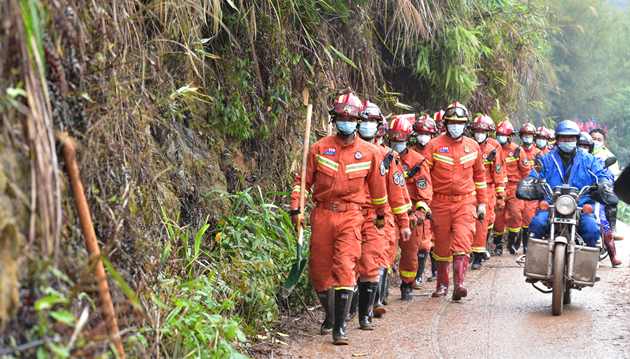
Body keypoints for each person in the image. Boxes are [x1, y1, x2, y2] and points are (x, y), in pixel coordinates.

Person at [290, 93, 389, 345]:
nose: (347, 121)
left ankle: (340, 328)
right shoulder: (319, 148)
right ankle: (331, 315)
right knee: (319, 272)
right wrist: (296, 209)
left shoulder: (370, 152)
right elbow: (302, 183)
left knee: (346, 267)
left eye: (351, 117)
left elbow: (378, 190)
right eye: (342, 117)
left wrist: (380, 216)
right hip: (321, 214)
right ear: (335, 119)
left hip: (351, 216)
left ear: (358, 120)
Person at [348, 101, 412, 327]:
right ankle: (347, 308)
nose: (367, 126)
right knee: (347, 263)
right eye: (363, 121)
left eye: (372, 122)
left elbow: (397, 193)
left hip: (377, 217)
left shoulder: (388, 157)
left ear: (379, 126)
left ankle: (366, 312)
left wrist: (404, 222)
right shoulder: (346, 151)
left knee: (372, 261)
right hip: (348, 214)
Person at [423, 102, 487, 300]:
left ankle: (459, 284)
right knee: (441, 245)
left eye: (459, 123)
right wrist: (424, 202)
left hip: (465, 203)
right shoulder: (433, 146)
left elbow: (480, 176)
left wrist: (482, 203)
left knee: (462, 240)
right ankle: (442, 285)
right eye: (452, 122)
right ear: (445, 124)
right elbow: (424, 177)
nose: (455, 126)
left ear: (466, 125)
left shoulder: (473, 146)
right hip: (439, 203)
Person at [527, 121, 609, 250]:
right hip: (551, 207)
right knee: (536, 224)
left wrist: (603, 183)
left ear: (576, 139)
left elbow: (601, 176)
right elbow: (534, 174)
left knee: (592, 230)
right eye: (563, 137)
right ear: (557, 139)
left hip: (581, 208)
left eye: (571, 137)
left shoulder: (589, 160)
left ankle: (589, 264)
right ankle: (533, 258)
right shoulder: (546, 159)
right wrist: (529, 183)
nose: (567, 140)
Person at [388, 115, 433, 300]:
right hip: (388, 210)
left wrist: (420, 212)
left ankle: (407, 285)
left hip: (411, 212)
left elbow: (425, 190)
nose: (397, 143)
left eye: (401, 140)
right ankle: (380, 289)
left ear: (408, 139)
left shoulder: (418, 161)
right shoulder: (382, 156)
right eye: (393, 140)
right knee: (384, 250)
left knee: (410, 252)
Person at [576, 132, 621, 267]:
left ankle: (613, 255)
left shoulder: (599, 160)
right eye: (580, 146)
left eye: (586, 146)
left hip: (593, 196)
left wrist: (601, 184)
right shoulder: (570, 159)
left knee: (601, 219)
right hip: (572, 196)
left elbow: (608, 177)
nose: (583, 148)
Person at [469, 115, 506, 269]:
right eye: (477, 131)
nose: (479, 134)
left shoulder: (493, 150)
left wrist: (500, 196)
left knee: (484, 222)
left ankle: (478, 256)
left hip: (488, 189)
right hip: (469, 189)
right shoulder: (468, 147)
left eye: (483, 131)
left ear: (488, 133)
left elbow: (498, 174)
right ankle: (469, 252)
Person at [492, 120, 530, 255]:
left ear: (509, 136)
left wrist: (525, 188)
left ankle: (512, 242)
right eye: (498, 134)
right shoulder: (493, 148)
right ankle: (498, 245)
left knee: (515, 214)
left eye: (503, 135)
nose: (500, 137)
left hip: (514, 188)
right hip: (498, 187)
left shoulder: (517, 150)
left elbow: (525, 171)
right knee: (497, 217)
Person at [411, 115, 437, 286]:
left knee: (431, 237)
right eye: (420, 132)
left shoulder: (437, 151)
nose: (423, 136)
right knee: (418, 238)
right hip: (413, 199)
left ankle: (429, 273)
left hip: (434, 198)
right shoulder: (409, 152)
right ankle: (414, 277)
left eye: (426, 133)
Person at [589, 128, 623, 241]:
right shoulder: (581, 150)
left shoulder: (608, 156)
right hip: (580, 186)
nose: (596, 142)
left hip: (601, 188)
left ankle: (612, 230)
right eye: (593, 139)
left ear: (603, 143)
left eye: (599, 140)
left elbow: (613, 176)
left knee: (611, 203)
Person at [517, 123, 540, 253]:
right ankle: (514, 242)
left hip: (533, 187)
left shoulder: (538, 153)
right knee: (516, 216)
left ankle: (526, 245)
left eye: (530, 135)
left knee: (529, 216)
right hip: (519, 185)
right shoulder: (517, 151)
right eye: (525, 135)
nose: (527, 137)